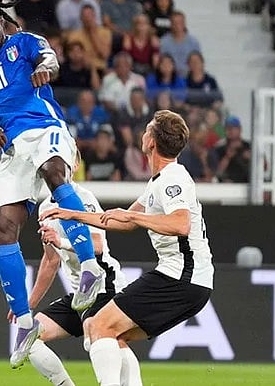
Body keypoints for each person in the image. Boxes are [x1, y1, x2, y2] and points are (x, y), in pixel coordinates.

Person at [0, 0, 106, 368]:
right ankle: (22, 322)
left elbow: (50, 58)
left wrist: (44, 69)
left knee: (54, 172)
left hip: (47, 129)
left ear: (1, 24)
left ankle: (89, 269)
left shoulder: (25, 43)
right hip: (11, 149)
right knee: (2, 229)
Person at [42, 110, 213, 386]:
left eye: (147, 130)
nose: (142, 134)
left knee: (98, 325)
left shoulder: (173, 177)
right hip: (190, 281)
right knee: (111, 334)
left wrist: (135, 217)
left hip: (181, 276)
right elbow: (119, 219)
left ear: (152, 142)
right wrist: (74, 215)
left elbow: (181, 224)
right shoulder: (158, 181)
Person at [23, 178, 135, 386]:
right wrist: (28, 304)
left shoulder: (83, 198)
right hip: (79, 293)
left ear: (74, 165)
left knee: (103, 335)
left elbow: (97, 245)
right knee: (29, 336)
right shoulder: (45, 208)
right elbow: (50, 259)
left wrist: (61, 241)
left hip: (103, 284)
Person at [158, 12, 201, 77]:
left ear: (184, 24)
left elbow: (197, 63)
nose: (177, 26)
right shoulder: (163, 42)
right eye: (175, 23)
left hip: (189, 77)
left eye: (180, 23)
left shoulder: (193, 42)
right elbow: (161, 62)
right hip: (170, 77)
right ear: (171, 24)